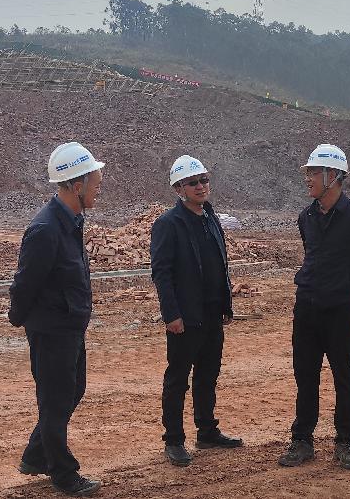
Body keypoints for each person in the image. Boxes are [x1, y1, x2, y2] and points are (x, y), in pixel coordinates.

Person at [9, 142, 105, 496]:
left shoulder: (71, 221)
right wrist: (21, 319)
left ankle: (36, 455)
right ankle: (63, 473)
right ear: (77, 186)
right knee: (55, 401)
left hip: (69, 326)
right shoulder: (45, 229)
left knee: (71, 391)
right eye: (95, 184)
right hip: (51, 330)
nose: (98, 190)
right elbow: (25, 283)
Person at [278, 144, 350, 470]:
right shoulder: (305, 217)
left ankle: (345, 443)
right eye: (308, 172)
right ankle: (302, 441)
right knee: (305, 376)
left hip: (341, 312)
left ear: (333, 175)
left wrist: (347, 290)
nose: (307, 178)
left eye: (313, 172)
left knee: (343, 376)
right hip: (307, 309)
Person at [150, 155, 243, 467]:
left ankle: (207, 431)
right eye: (193, 182)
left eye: (204, 180)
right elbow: (162, 273)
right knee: (178, 379)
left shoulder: (210, 217)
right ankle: (174, 440)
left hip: (212, 313)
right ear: (179, 188)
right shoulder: (168, 224)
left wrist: (226, 304)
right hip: (185, 317)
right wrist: (171, 315)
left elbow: (221, 263)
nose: (201, 186)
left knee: (208, 375)